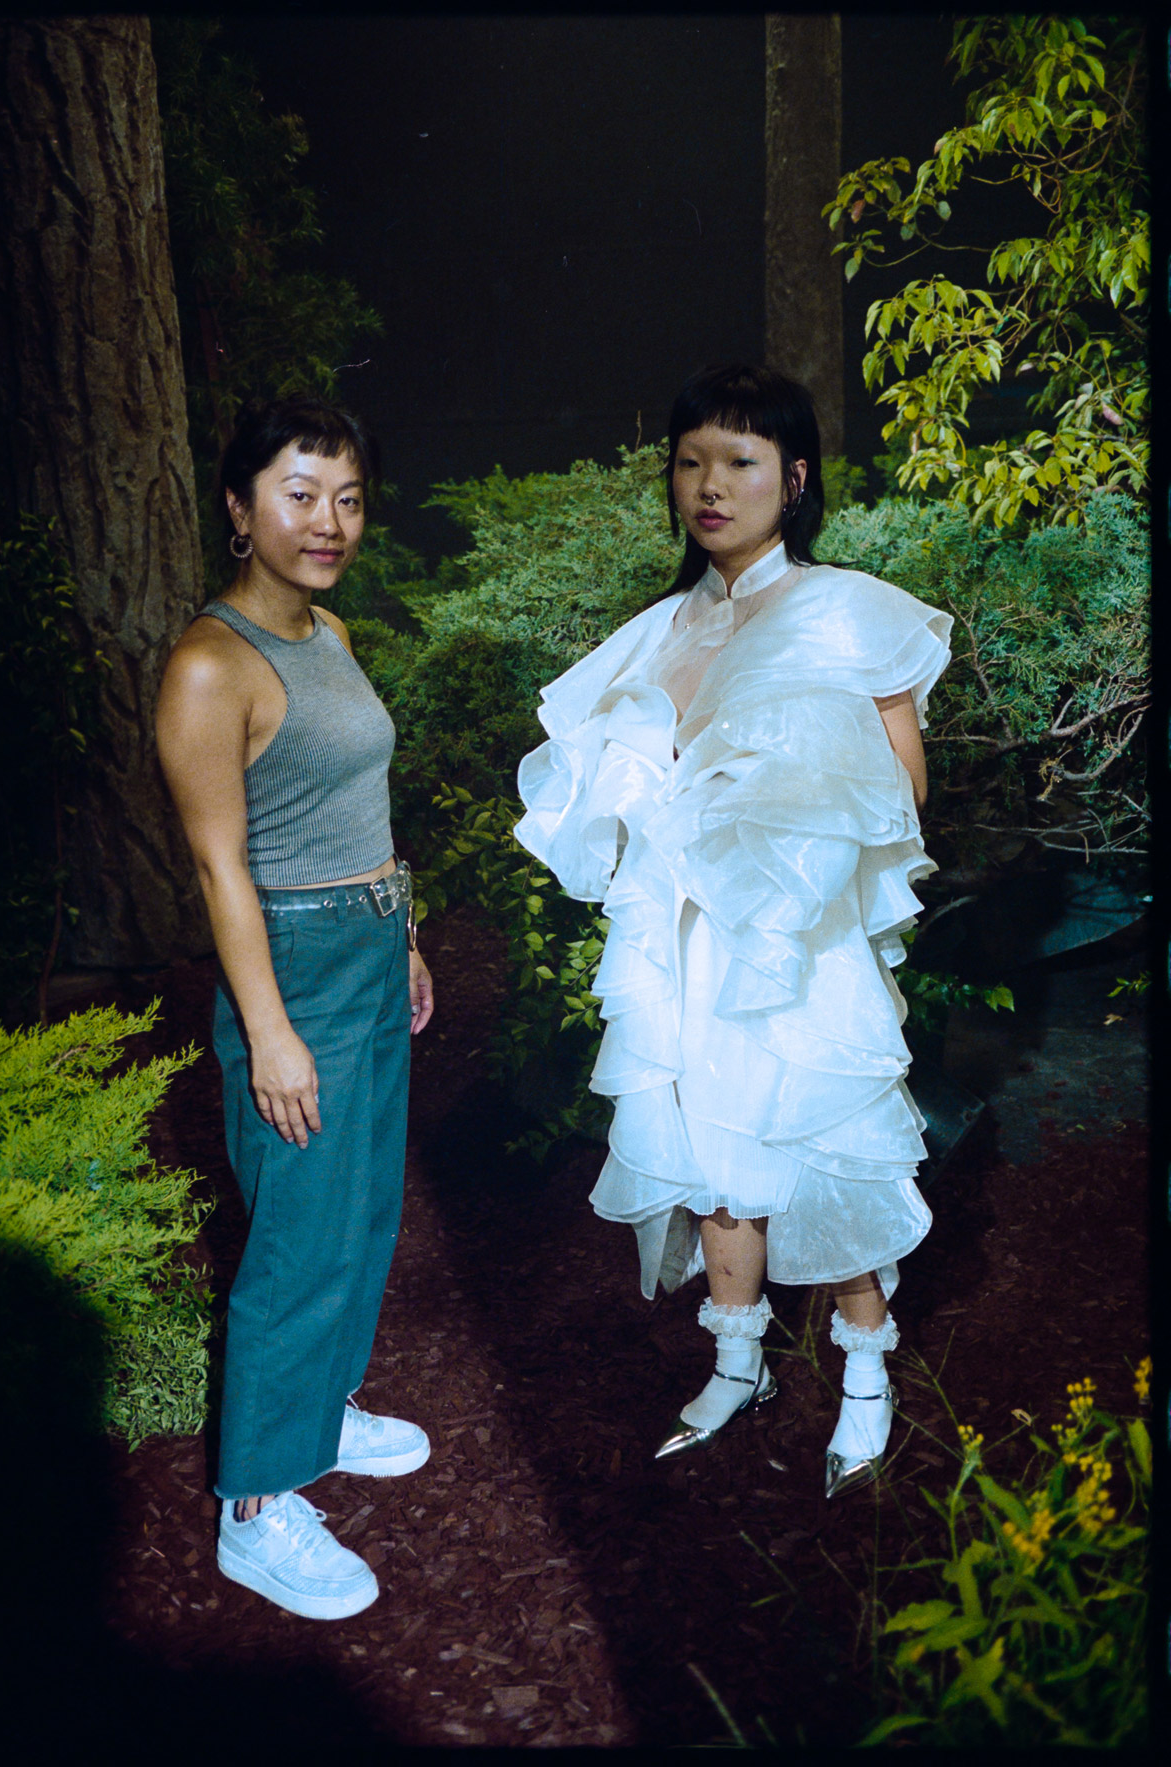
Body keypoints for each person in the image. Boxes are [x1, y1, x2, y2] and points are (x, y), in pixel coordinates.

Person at [515, 364, 952, 1496]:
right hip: (683, 936)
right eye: (691, 462)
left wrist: (781, 807)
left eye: (741, 462)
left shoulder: (841, 608)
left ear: (793, 479)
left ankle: (866, 1377)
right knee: (710, 1152)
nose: (711, 486)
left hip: (793, 936)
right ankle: (736, 1363)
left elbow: (904, 787)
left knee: (819, 1138)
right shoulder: (661, 628)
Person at [156, 394, 435, 1618]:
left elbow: (361, 803)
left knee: (360, 1206)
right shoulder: (210, 666)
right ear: (239, 507)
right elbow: (221, 870)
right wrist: (270, 1033)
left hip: (368, 943)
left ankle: (319, 1409)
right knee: (297, 1232)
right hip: (294, 963)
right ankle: (256, 1505)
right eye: (301, 494)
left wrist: (405, 934)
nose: (330, 521)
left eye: (349, 498)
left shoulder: (329, 632)